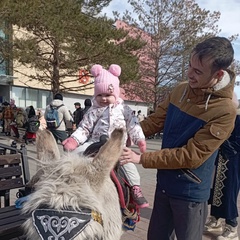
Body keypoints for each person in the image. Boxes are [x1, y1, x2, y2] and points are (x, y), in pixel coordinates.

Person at [119, 36, 237, 240]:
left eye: (198, 71)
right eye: (190, 66)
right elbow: (155, 121)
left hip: (191, 191)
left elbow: (192, 155)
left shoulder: (225, 110)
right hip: (165, 184)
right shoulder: (181, 89)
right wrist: (125, 137)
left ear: (218, 74)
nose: (189, 74)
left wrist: (142, 159)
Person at [62, 64, 149, 208]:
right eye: (100, 95)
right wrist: (74, 140)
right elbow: (84, 127)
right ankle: (67, 181)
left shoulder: (124, 109)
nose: (103, 98)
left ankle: (135, 188)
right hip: (96, 142)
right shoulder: (94, 110)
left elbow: (134, 125)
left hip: (116, 146)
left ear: (115, 94)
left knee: (129, 165)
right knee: (75, 156)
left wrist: (140, 139)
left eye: (108, 95)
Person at [204, 95, 240, 240]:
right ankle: (216, 219)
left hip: (232, 162)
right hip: (218, 160)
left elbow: (235, 146)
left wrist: (219, 139)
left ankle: (232, 226)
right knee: (215, 191)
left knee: (229, 192)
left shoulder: (237, 118)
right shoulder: (222, 116)